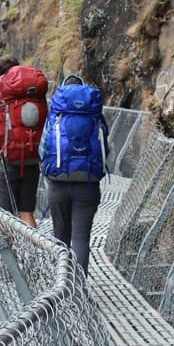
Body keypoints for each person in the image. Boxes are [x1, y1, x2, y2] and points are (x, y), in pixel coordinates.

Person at [38, 75, 109, 276]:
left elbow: (43, 148)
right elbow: (105, 149)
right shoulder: (94, 116)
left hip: (58, 184)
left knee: (60, 237)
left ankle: (59, 284)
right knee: (81, 237)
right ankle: (78, 291)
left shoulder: (56, 115)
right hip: (88, 184)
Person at [0, 55, 48, 228]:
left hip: (5, 163)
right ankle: (33, 251)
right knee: (26, 212)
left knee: (4, 215)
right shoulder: (36, 96)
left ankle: (11, 253)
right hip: (32, 159)